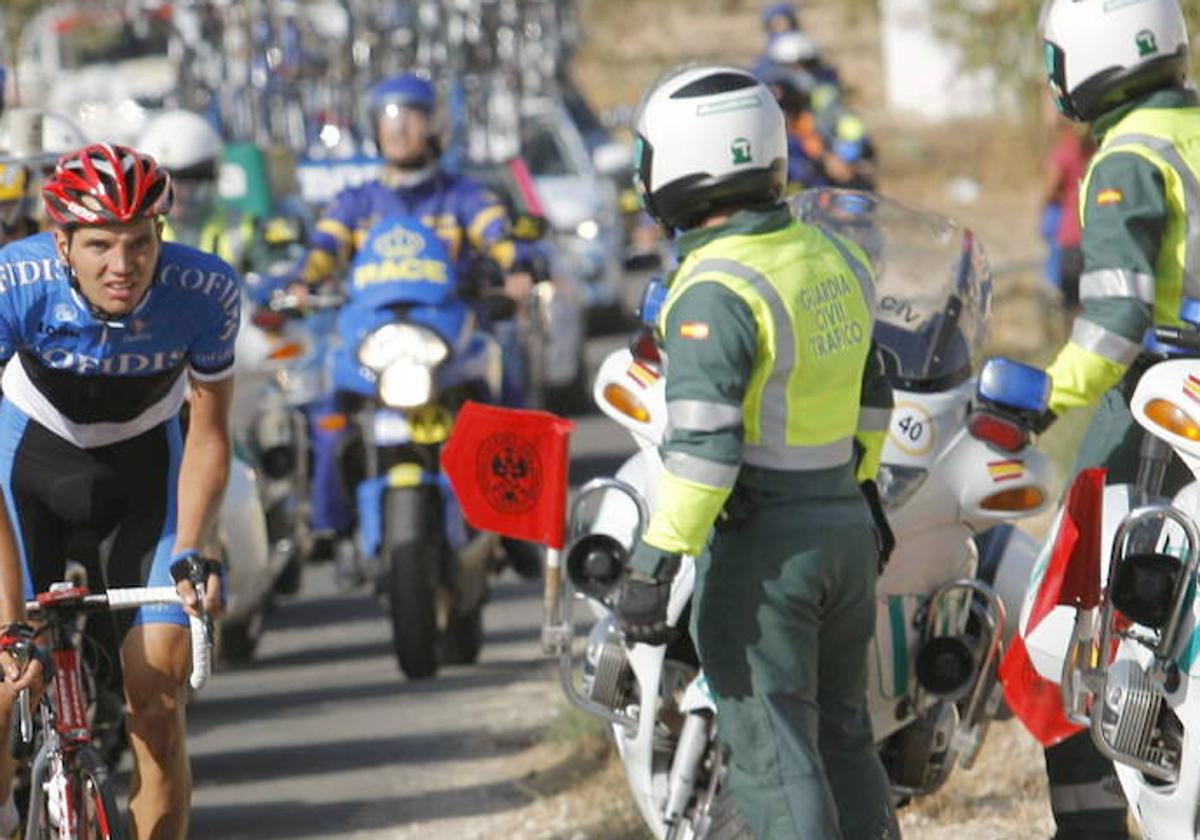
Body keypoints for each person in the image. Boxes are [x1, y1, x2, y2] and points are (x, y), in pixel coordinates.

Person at [615, 64, 897, 839]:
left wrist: (653, 562)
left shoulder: (714, 287)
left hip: (765, 548)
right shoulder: (831, 254)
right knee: (844, 737)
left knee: (774, 752)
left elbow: (706, 450)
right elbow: (877, 389)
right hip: (844, 523)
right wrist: (863, 489)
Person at [0, 143, 234, 839]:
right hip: (25, 476)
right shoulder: (14, 283)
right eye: (100, 244)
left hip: (142, 482)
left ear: (160, 233)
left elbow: (211, 432)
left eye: (138, 242)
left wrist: (194, 548)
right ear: (62, 241)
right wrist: (10, 618)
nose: (122, 266)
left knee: (157, 697)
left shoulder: (205, 292)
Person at [1038, 0, 1198, 836]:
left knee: (1070, 630)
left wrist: (1042, 397)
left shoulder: (1126, 159)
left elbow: (1112, 324)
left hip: (1157, 414)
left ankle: (1098, 824)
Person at [281, 72, 536, 567]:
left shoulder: (463, 195)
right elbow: (323, 249)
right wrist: (300, 282)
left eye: (411, 117)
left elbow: (499, 235)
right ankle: (329, 526)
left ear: (436, 125)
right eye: (387, 118)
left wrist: (519, 267)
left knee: (507, 393)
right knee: (328, 411)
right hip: (374, 339)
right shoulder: (356, 201)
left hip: (449, 333)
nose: (398, 130)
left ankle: (514, 519)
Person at [1041, 107, 1094, 314]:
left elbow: (1049, 192)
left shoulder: (1063, 153)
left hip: (1071, 237)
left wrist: (1068, 195)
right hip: (1094, 237)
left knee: (1071, 306)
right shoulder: (1098, 150)